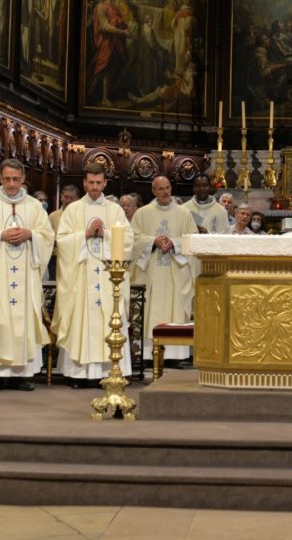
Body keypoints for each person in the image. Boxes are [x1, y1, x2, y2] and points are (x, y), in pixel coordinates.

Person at [0, 158, 54, 392]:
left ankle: (20, 375)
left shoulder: (34, 206)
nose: (11, 184)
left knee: (23, 319)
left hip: (25, 275)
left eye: (16, 179)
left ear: (23, 179)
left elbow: (47, 236)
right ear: (0, 178)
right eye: (7, 179)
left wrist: (31, 234)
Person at [52, 163, 135, 386]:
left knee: (109, 319)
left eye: (99, 183)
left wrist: (105, 234)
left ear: (105, 183)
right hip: (81, 276)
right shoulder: (73, 210)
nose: (95, 187)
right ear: (84, 183)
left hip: (108, 277)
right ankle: (78, 374)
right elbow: (62, 241)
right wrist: (85, 235)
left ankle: (110, 371)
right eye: (91, 183)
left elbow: (128, 240)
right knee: (80, 318)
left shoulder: (114, 210)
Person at [131, 176, 197, 362]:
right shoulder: (142, 213)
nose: (165, 192)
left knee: (174, 308)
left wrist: (174, 244)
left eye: (167, 188)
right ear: (153, 191)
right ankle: (149, 354)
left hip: (175, 272)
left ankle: (176, 354)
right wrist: (153, 241)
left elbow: (192, 240)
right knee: (151, 309)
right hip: (151, 272)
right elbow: (132, 238)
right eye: (160, 189)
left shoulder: (183, 214)